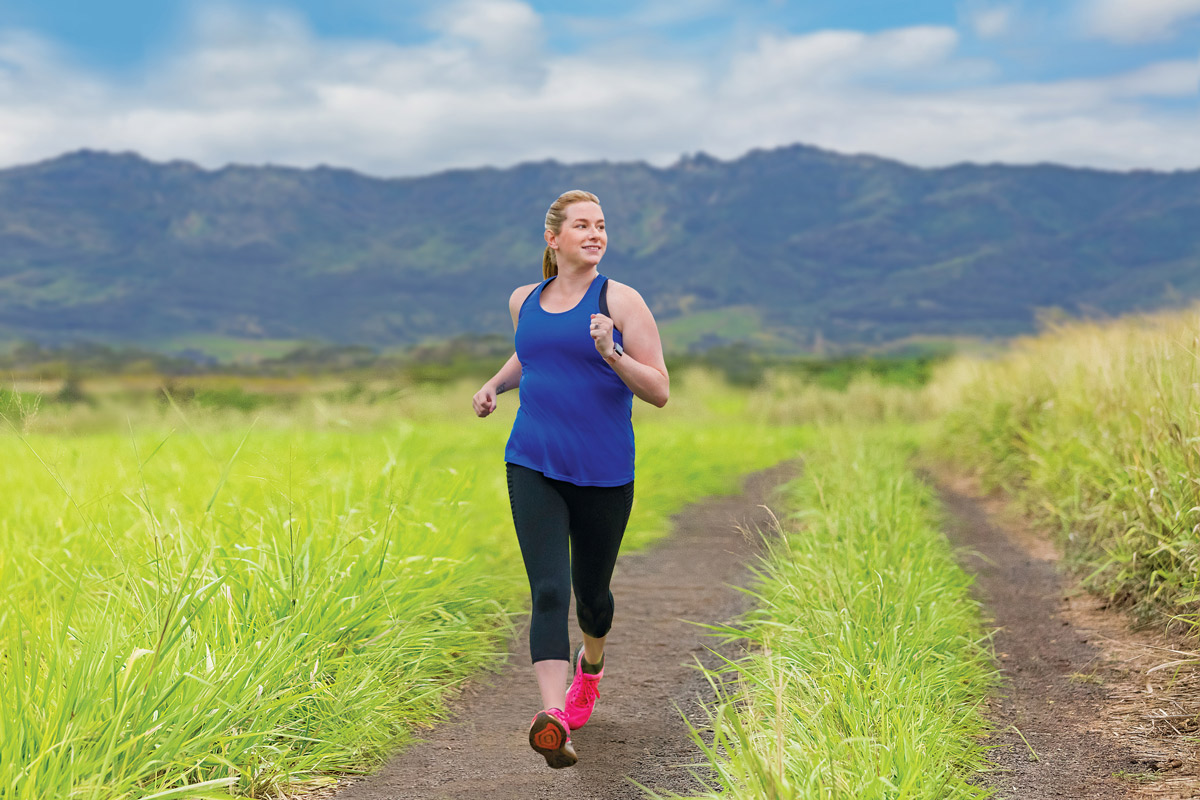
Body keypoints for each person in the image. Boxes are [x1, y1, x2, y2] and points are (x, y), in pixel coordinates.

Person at [472, 189, 669, 768]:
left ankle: (592, 667)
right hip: (531, 459)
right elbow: (532, 354)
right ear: (553, 238)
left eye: (601, 225)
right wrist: (494, 385)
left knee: (592, 599)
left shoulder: (623, 301)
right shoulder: (523, 300)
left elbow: (658, 390)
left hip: (604, 472)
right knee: (549, 591)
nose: (595, 234)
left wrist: (612, 352)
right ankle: (553, 716)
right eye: (582, 225)